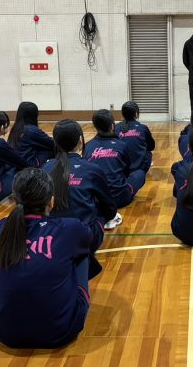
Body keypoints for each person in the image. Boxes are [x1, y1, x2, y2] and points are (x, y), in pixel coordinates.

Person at [0, 168, 92, 348]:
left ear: (14, 198)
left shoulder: (0, 228)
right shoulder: (69, 228)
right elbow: (90, 238)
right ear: (51, 200)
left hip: (2, 332)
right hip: (59, 331)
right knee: (81, 254)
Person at [43, 119, 120, 278]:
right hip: (84, 239)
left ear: (55, 141)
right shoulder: (91, 169)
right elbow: (109, 206)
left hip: (50, 242)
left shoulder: (45, 168)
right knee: (100, 207)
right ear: (80, 140)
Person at [83, 109, 146, 208]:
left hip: (97, 200)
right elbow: (127, 170)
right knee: (140, 173)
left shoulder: (87, 146)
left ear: (94, 126)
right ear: (112, 126)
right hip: (119, 198)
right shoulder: (121, 145)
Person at [7, 101, 54, 167]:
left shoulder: (16, 128)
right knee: (52, 148)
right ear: (34, 115)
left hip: (14, 164)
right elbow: (52, 143)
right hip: (27, 166)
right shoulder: (31, 130)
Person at [114, 101, 155, 173]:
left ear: (122, 114)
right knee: (148, 153)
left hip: (120, 168)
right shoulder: (143, 128)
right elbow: (151, 146)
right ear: (136, 114)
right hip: (139, 169)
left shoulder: (116, 127)